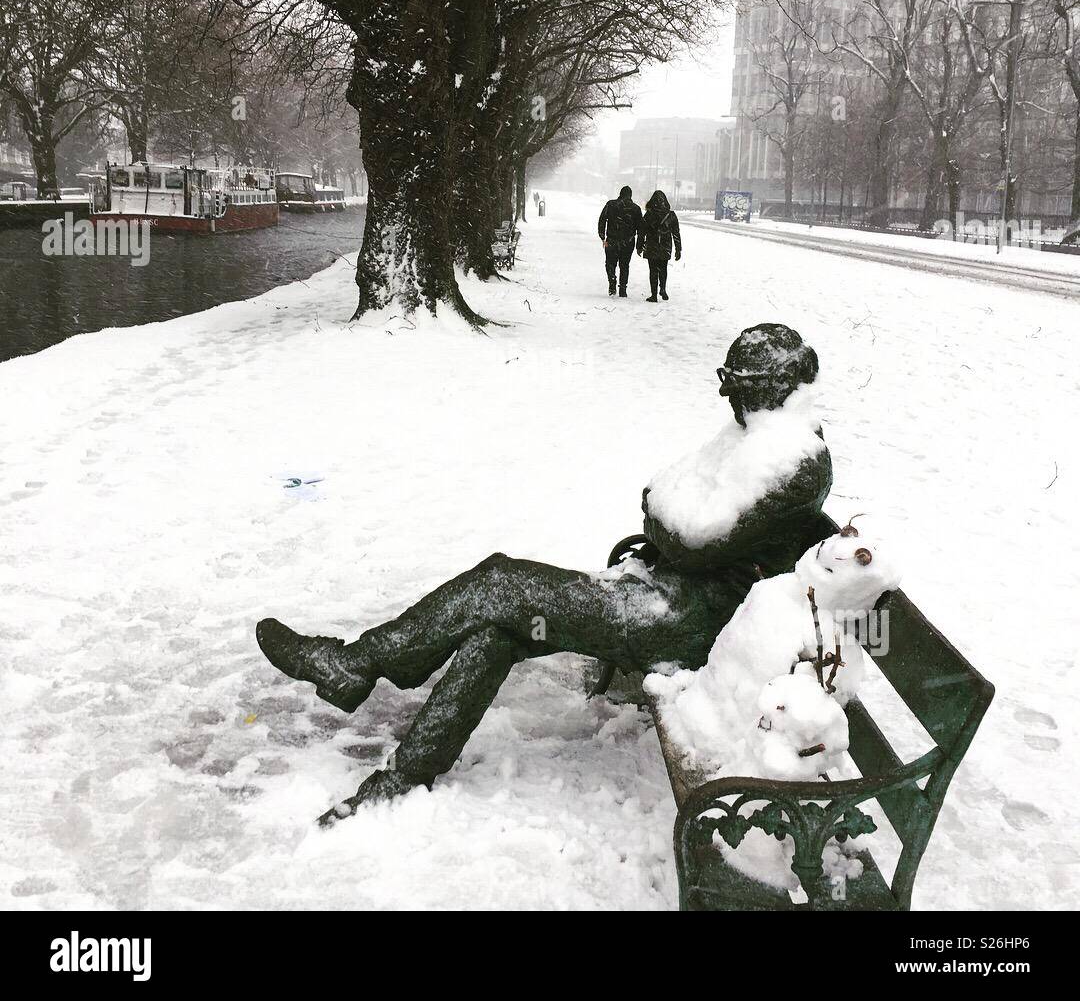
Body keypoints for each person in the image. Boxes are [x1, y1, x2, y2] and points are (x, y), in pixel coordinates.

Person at [256, 324, 830, 824]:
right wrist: (667, 521)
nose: (725, 392)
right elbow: (661, 498)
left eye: (735, 381)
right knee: (500, 629)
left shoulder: (792, 460)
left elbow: (689, 539)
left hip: (679, 623)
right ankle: (404, 775)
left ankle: (355, 663)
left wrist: (667, 522)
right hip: (656, 593)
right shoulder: (752, 439)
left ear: (764, 385)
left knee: (501, 582)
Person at [637, 189, 682, 302]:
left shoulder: (649, 215)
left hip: (652, 246)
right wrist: (678, 249)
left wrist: (639, 246)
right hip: (665, 246)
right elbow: (676, 233)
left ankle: (654, 295)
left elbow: (642, 232)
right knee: (663, 268)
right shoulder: (671, 215)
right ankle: (663, 288)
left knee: (653, 270)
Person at [597, 186, 642, 297]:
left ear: (620, 193)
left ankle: (612, 282)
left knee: (610, 264)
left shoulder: (611, 205)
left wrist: (602, 237)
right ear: (630, 195)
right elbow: (641, 227)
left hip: (612, 240)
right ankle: (623, 288)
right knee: (624, 265)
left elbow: (602, 220)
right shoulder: (635, 209)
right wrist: (639, 244)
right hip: (628, 242)